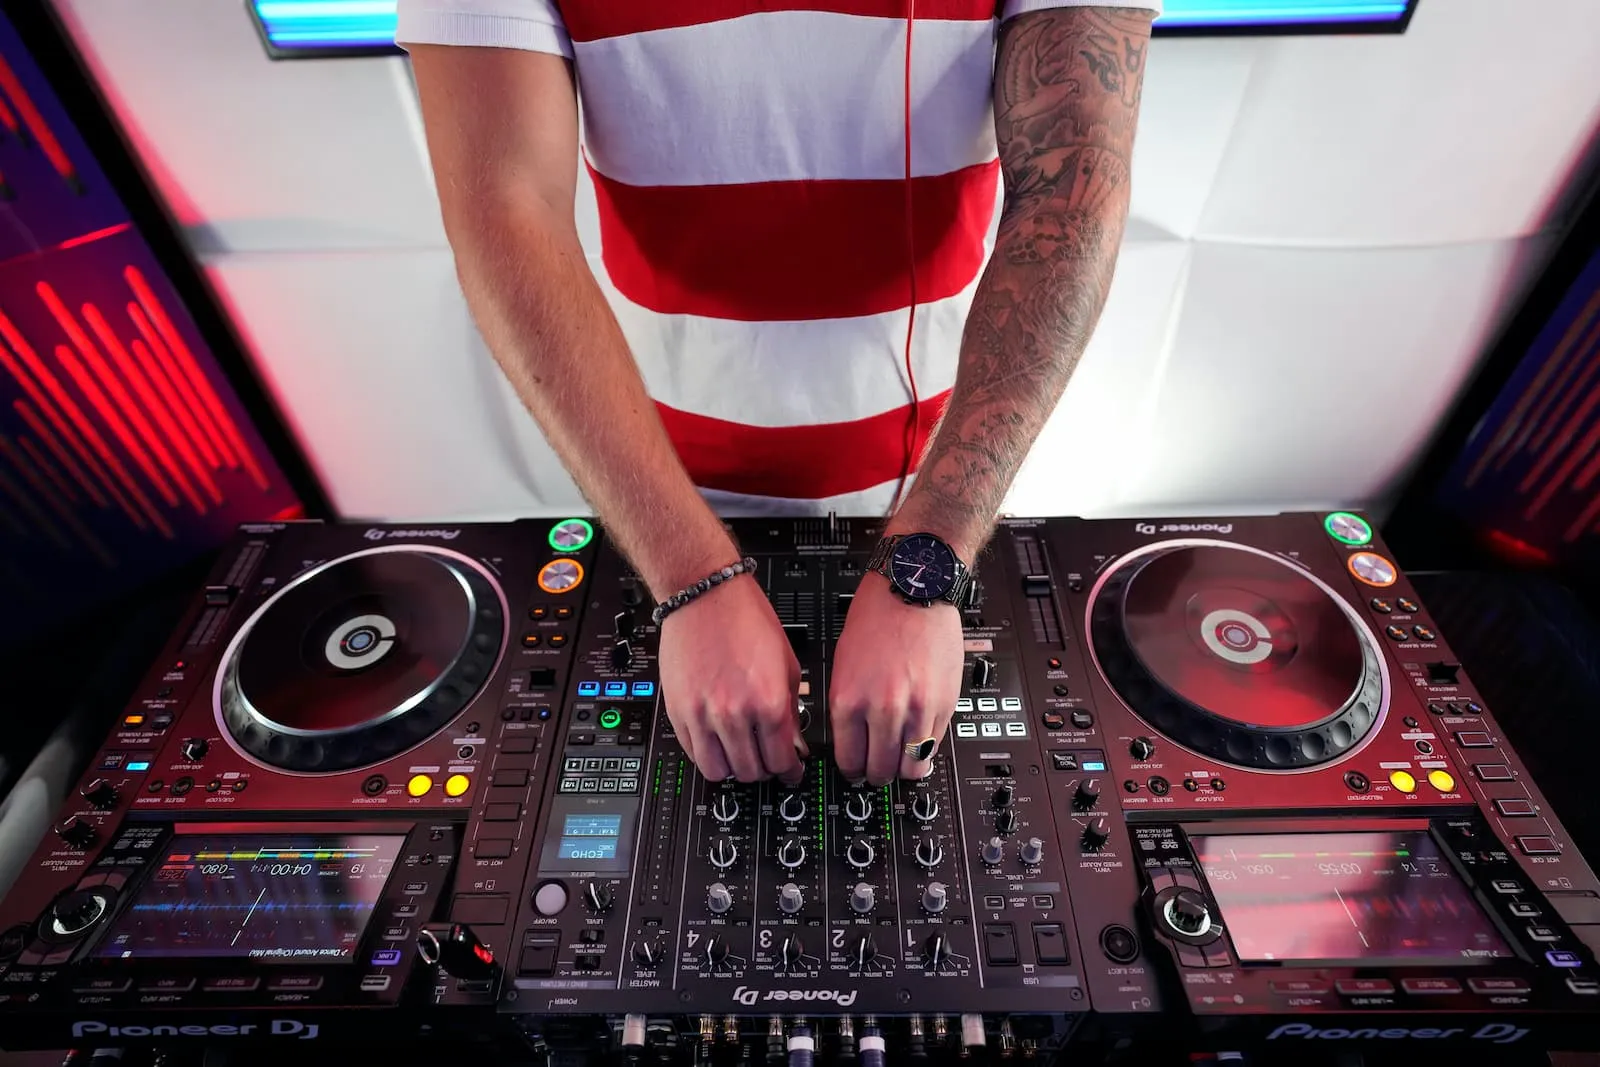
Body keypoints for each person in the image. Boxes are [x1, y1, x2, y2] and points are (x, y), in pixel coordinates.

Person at [395, 0, 1158, 789]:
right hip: (662, 501)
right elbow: (506, 211)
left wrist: (927, 560)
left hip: (940, 491)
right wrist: (688, 573)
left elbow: (1071, 191)